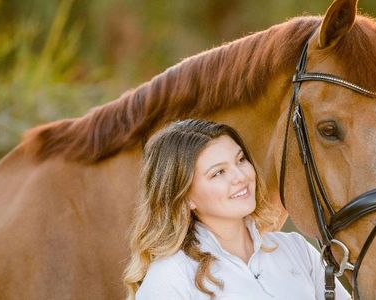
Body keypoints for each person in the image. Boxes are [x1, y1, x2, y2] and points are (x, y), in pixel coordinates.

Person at [123, 119, 350, 300]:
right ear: (184, 198)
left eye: (240, 160)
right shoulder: (171, 276)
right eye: (218, 173)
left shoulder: (295, 249)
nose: (240, 177)